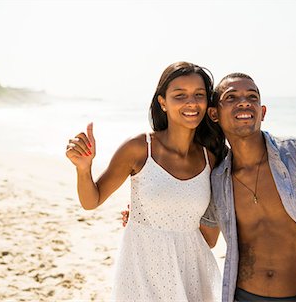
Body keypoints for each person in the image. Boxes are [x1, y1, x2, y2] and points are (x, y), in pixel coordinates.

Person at [66, 62, 223, 301]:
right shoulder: (139, 148)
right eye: (180, 95)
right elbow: (91, 201)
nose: (191, 103)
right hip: (141, 269)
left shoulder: (210, 159)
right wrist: (83, 169)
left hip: (191, 272)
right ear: (162, 102)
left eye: (199, 95)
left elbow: (209, 239)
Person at [200, 73, 296, 302]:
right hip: (242, 296)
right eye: (231, 97)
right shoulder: (217, 179)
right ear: (214, 113)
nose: (244, 102)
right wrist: (149, 211)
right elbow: (208, 239)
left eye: (251, 97)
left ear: (262, 112)